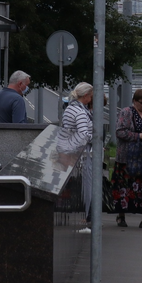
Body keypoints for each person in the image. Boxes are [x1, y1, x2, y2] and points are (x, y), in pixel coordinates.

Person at [111, 88, 142, 230]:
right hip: (128, 158)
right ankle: (121, 215)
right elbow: (120, 131)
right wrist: (138, 136)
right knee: (125, 186)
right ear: (134, 101)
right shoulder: (126, 112)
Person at [56, 82, 95, 230]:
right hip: (80, 155)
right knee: (85, 188)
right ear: (85, 96)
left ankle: (85, 215)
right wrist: (94, 139)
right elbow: (84, 135)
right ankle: (86, 216)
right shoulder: (79, 112)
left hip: (71, 152)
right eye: (91, 96)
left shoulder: (72, 108)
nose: (92, 99)